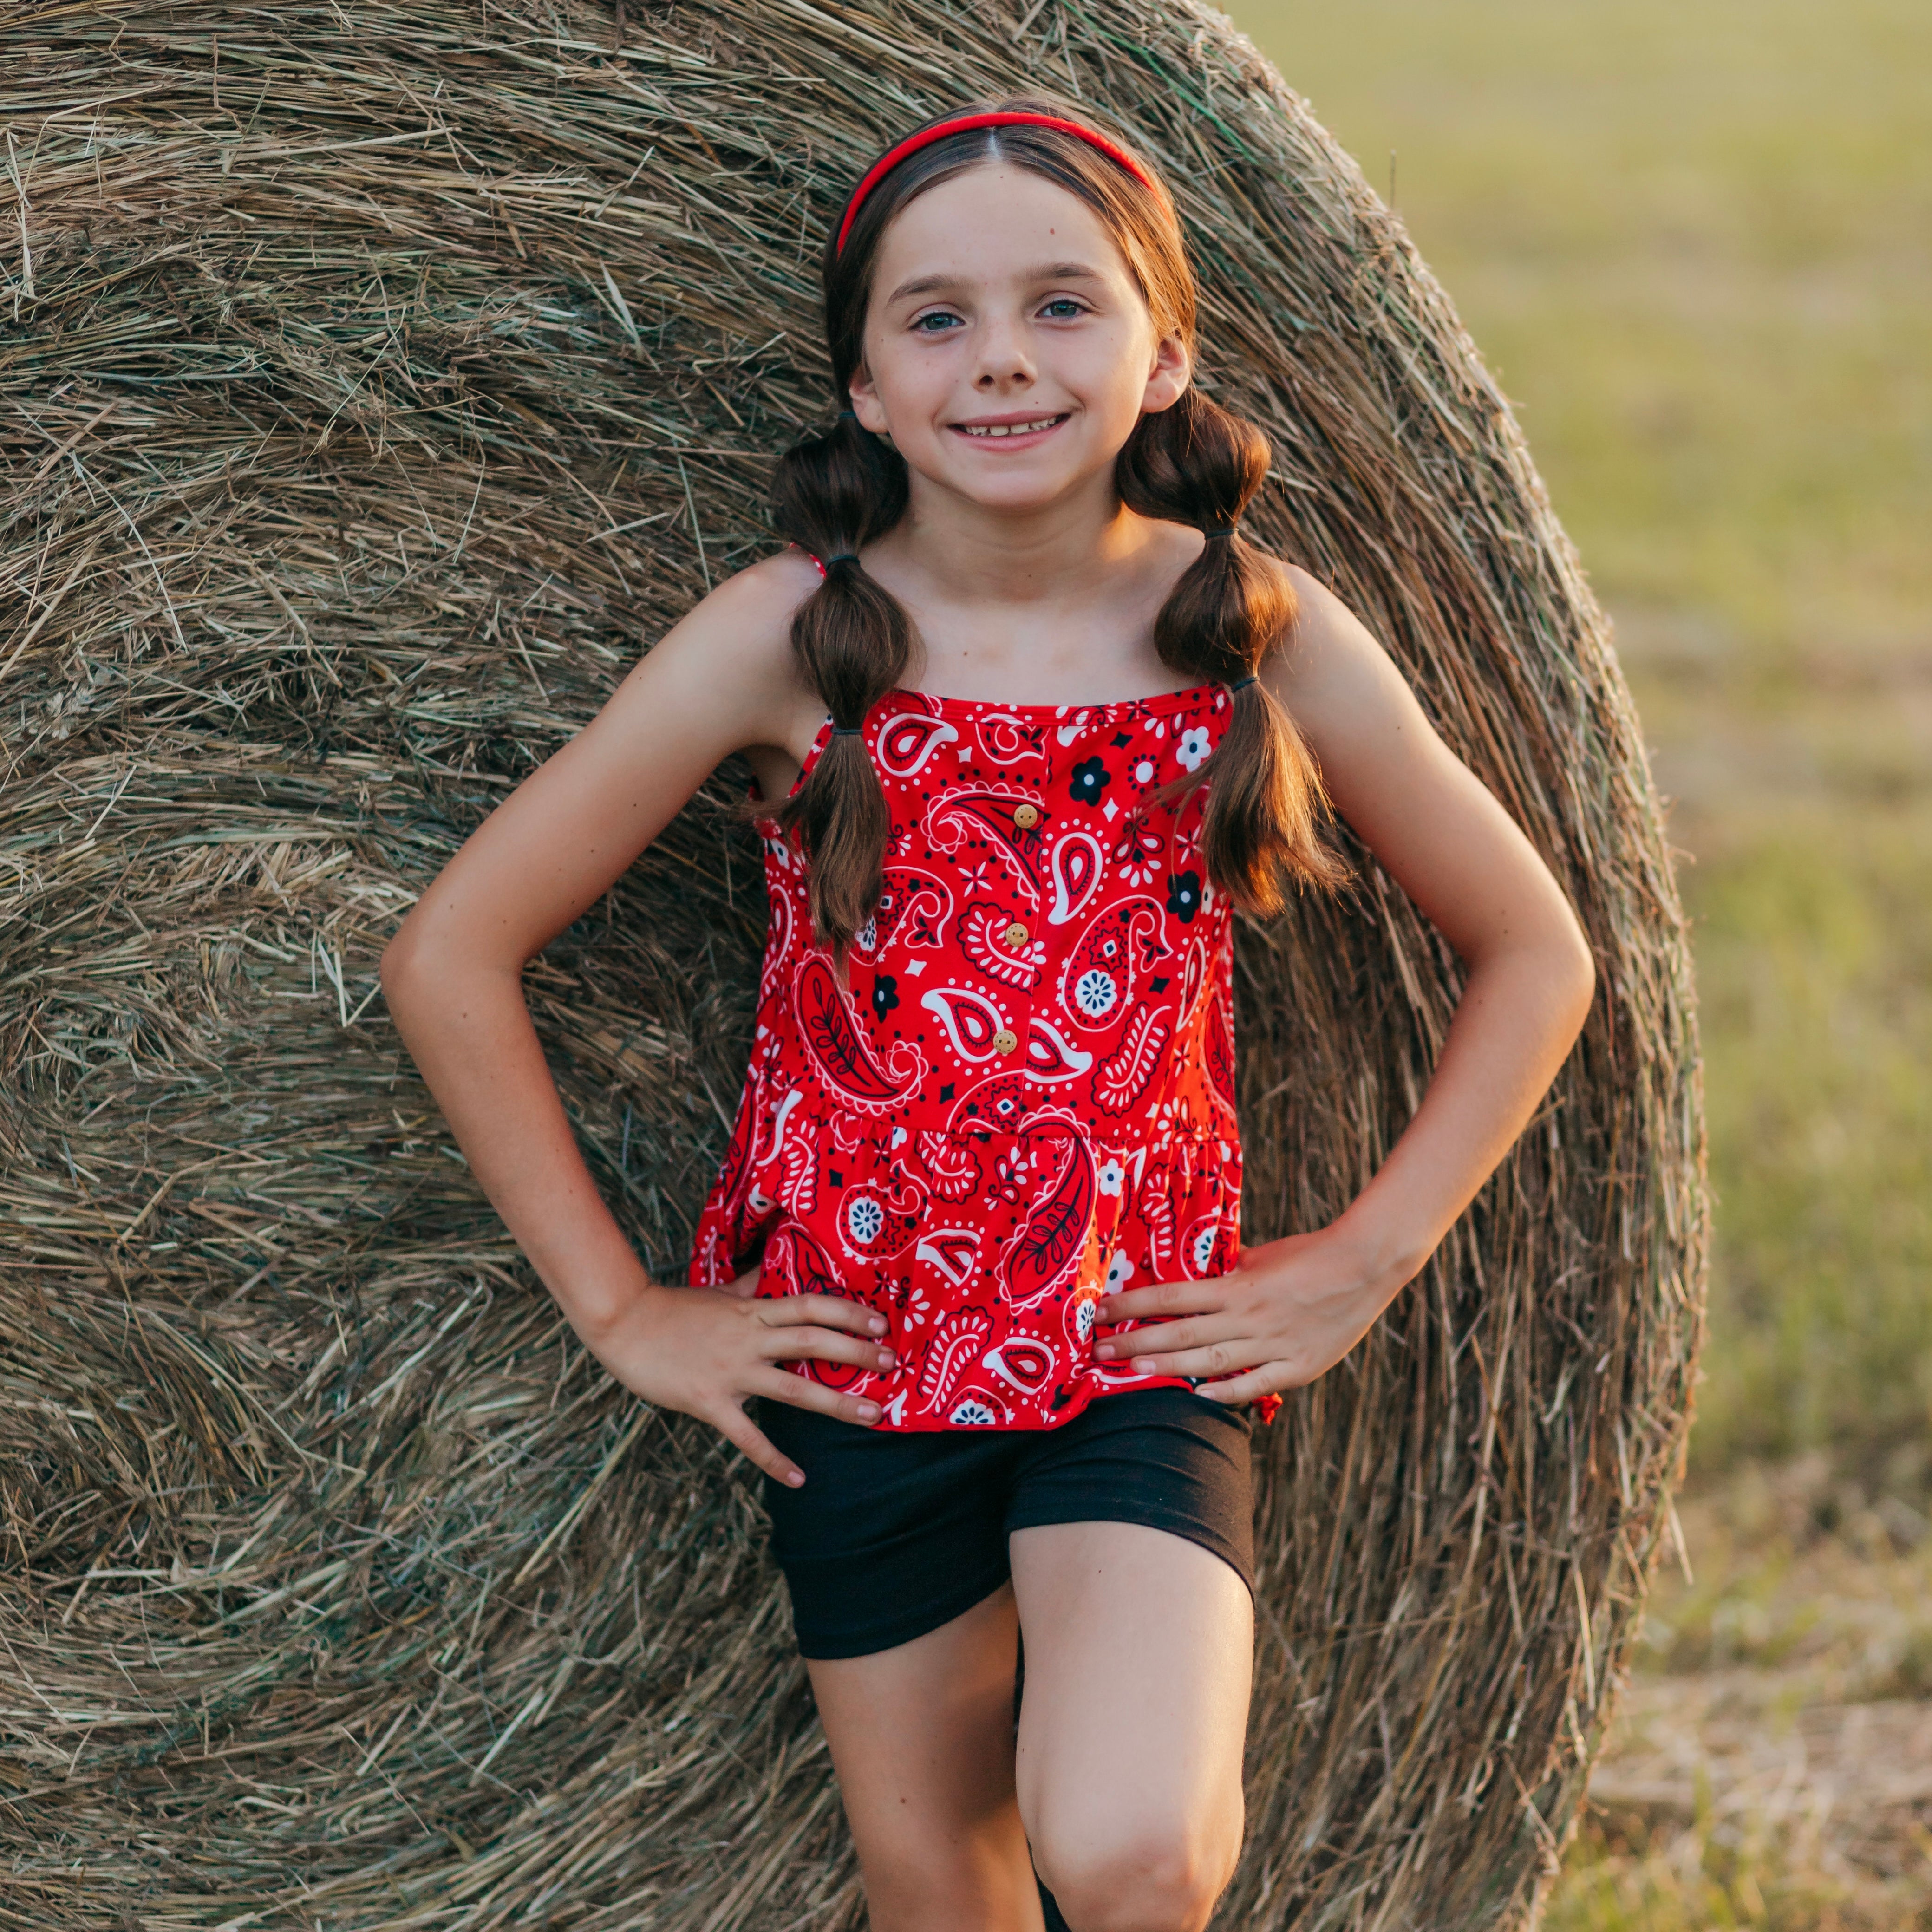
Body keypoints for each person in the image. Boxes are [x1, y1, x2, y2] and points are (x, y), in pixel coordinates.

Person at [379, 97, 1596, 1932]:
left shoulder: (1254, 632)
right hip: (859, 1360)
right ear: (862, 384)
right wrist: (624, 1308)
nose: (1000, 359)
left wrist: (1366, 1249)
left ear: (1163, 346)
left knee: (1129, 1847)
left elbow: (1535, 947)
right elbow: (450, 951)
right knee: (940, 1877)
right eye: (933, 319)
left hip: (1134, 1347)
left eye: (1061, 305)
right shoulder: (782, 639)